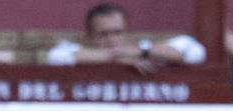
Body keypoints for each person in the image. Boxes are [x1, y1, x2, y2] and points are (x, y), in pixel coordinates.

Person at [46, 3, 205, 72]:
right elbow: (56, 56)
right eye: (103, 34)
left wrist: (140, 53)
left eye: (117, 32)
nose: (112, 39)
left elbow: (195, 52)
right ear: (88, 37)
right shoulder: (77, 51)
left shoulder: (143, 50)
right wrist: (118, 58)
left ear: (127, 33)